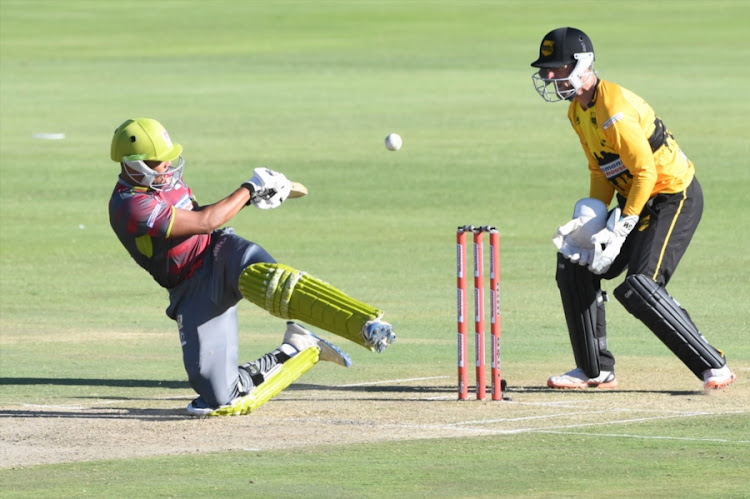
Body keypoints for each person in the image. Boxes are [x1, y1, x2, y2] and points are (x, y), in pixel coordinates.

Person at [108, 118, 396, 416]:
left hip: (220, 254)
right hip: (190, 289)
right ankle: (300, 348)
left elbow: (206, 221)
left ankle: (365, 324)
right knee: (219, 398)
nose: (167, 165)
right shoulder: (130, 205)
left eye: (169, 157)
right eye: (158, 161)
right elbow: (205, 221)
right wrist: (250, 188)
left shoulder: (164, 180)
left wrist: (255, 196)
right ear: (133, 164)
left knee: (270, 283)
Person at [530, 27, 736, 391]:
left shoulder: (615, 111)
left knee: (640, 287)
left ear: (582, 65)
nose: (549, 76)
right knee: (575, 265)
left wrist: (621, 226)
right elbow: (601, 168)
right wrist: (591, 220)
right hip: (636, 197)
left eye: (557, 68)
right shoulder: (577, 112)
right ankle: (595, 370)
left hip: (672, 195)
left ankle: (714, 365)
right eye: (547, 70)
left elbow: (646, 172)